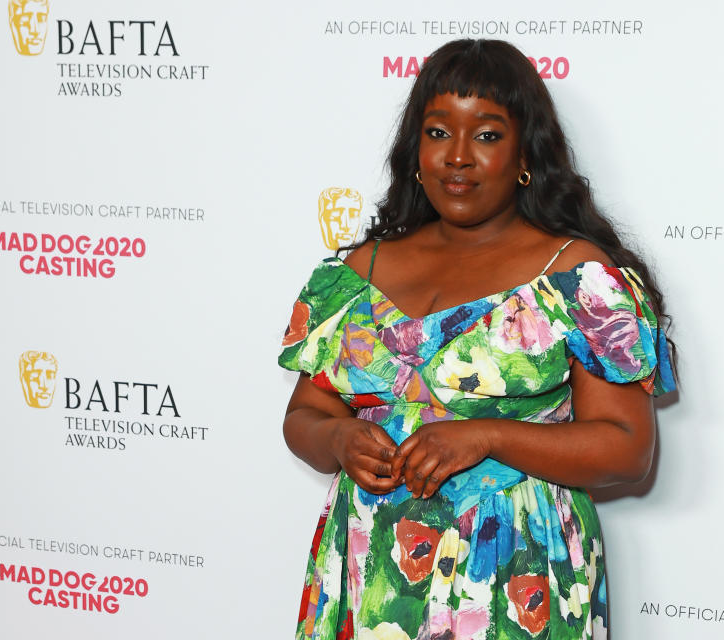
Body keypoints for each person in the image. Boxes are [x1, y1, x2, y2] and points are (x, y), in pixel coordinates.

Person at [279, 39, 676, 640]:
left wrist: (487, 437)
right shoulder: (355, 273)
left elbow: (627, 449)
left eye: (486, 136)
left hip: (516, 577)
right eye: (439, 134)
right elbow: (303, 418)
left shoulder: (577, 278)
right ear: (416, 149)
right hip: (370, 567)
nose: (457, 158)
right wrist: (337, 436)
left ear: (525, 154)